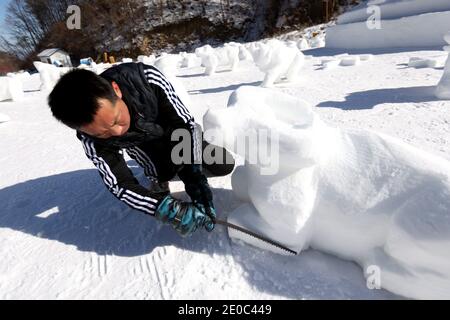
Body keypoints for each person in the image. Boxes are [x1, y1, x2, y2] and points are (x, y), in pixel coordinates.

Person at [48, 62, 235, 237]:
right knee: (161, 175)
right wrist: (163, 209)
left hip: (174, 133)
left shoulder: (145, 80)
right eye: (102, 133)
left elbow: (186, 125)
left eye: (116, 120)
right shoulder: (90, 139)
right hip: (143, 148)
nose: (118, 132)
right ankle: (158, 176)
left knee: (224, 164)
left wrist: (194, 178)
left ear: (116, 90)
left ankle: (179, 168)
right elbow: (120, 184)